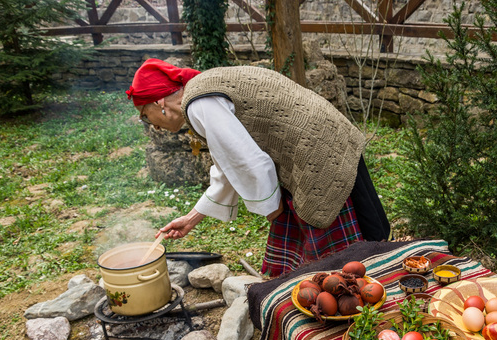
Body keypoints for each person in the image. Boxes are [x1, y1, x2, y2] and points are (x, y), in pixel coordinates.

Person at [126, 58, 390, 278]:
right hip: (325, 137)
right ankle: (358, 273)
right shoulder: (200, 93)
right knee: (354, 223)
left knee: (336, 249)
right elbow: (228, 166)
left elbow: (248, 162)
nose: (150, 124)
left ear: (158, 102)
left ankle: (355, 283)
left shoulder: (198, 104)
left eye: (143, 114)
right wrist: (191, 219)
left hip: (316, 150)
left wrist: (274, 212)